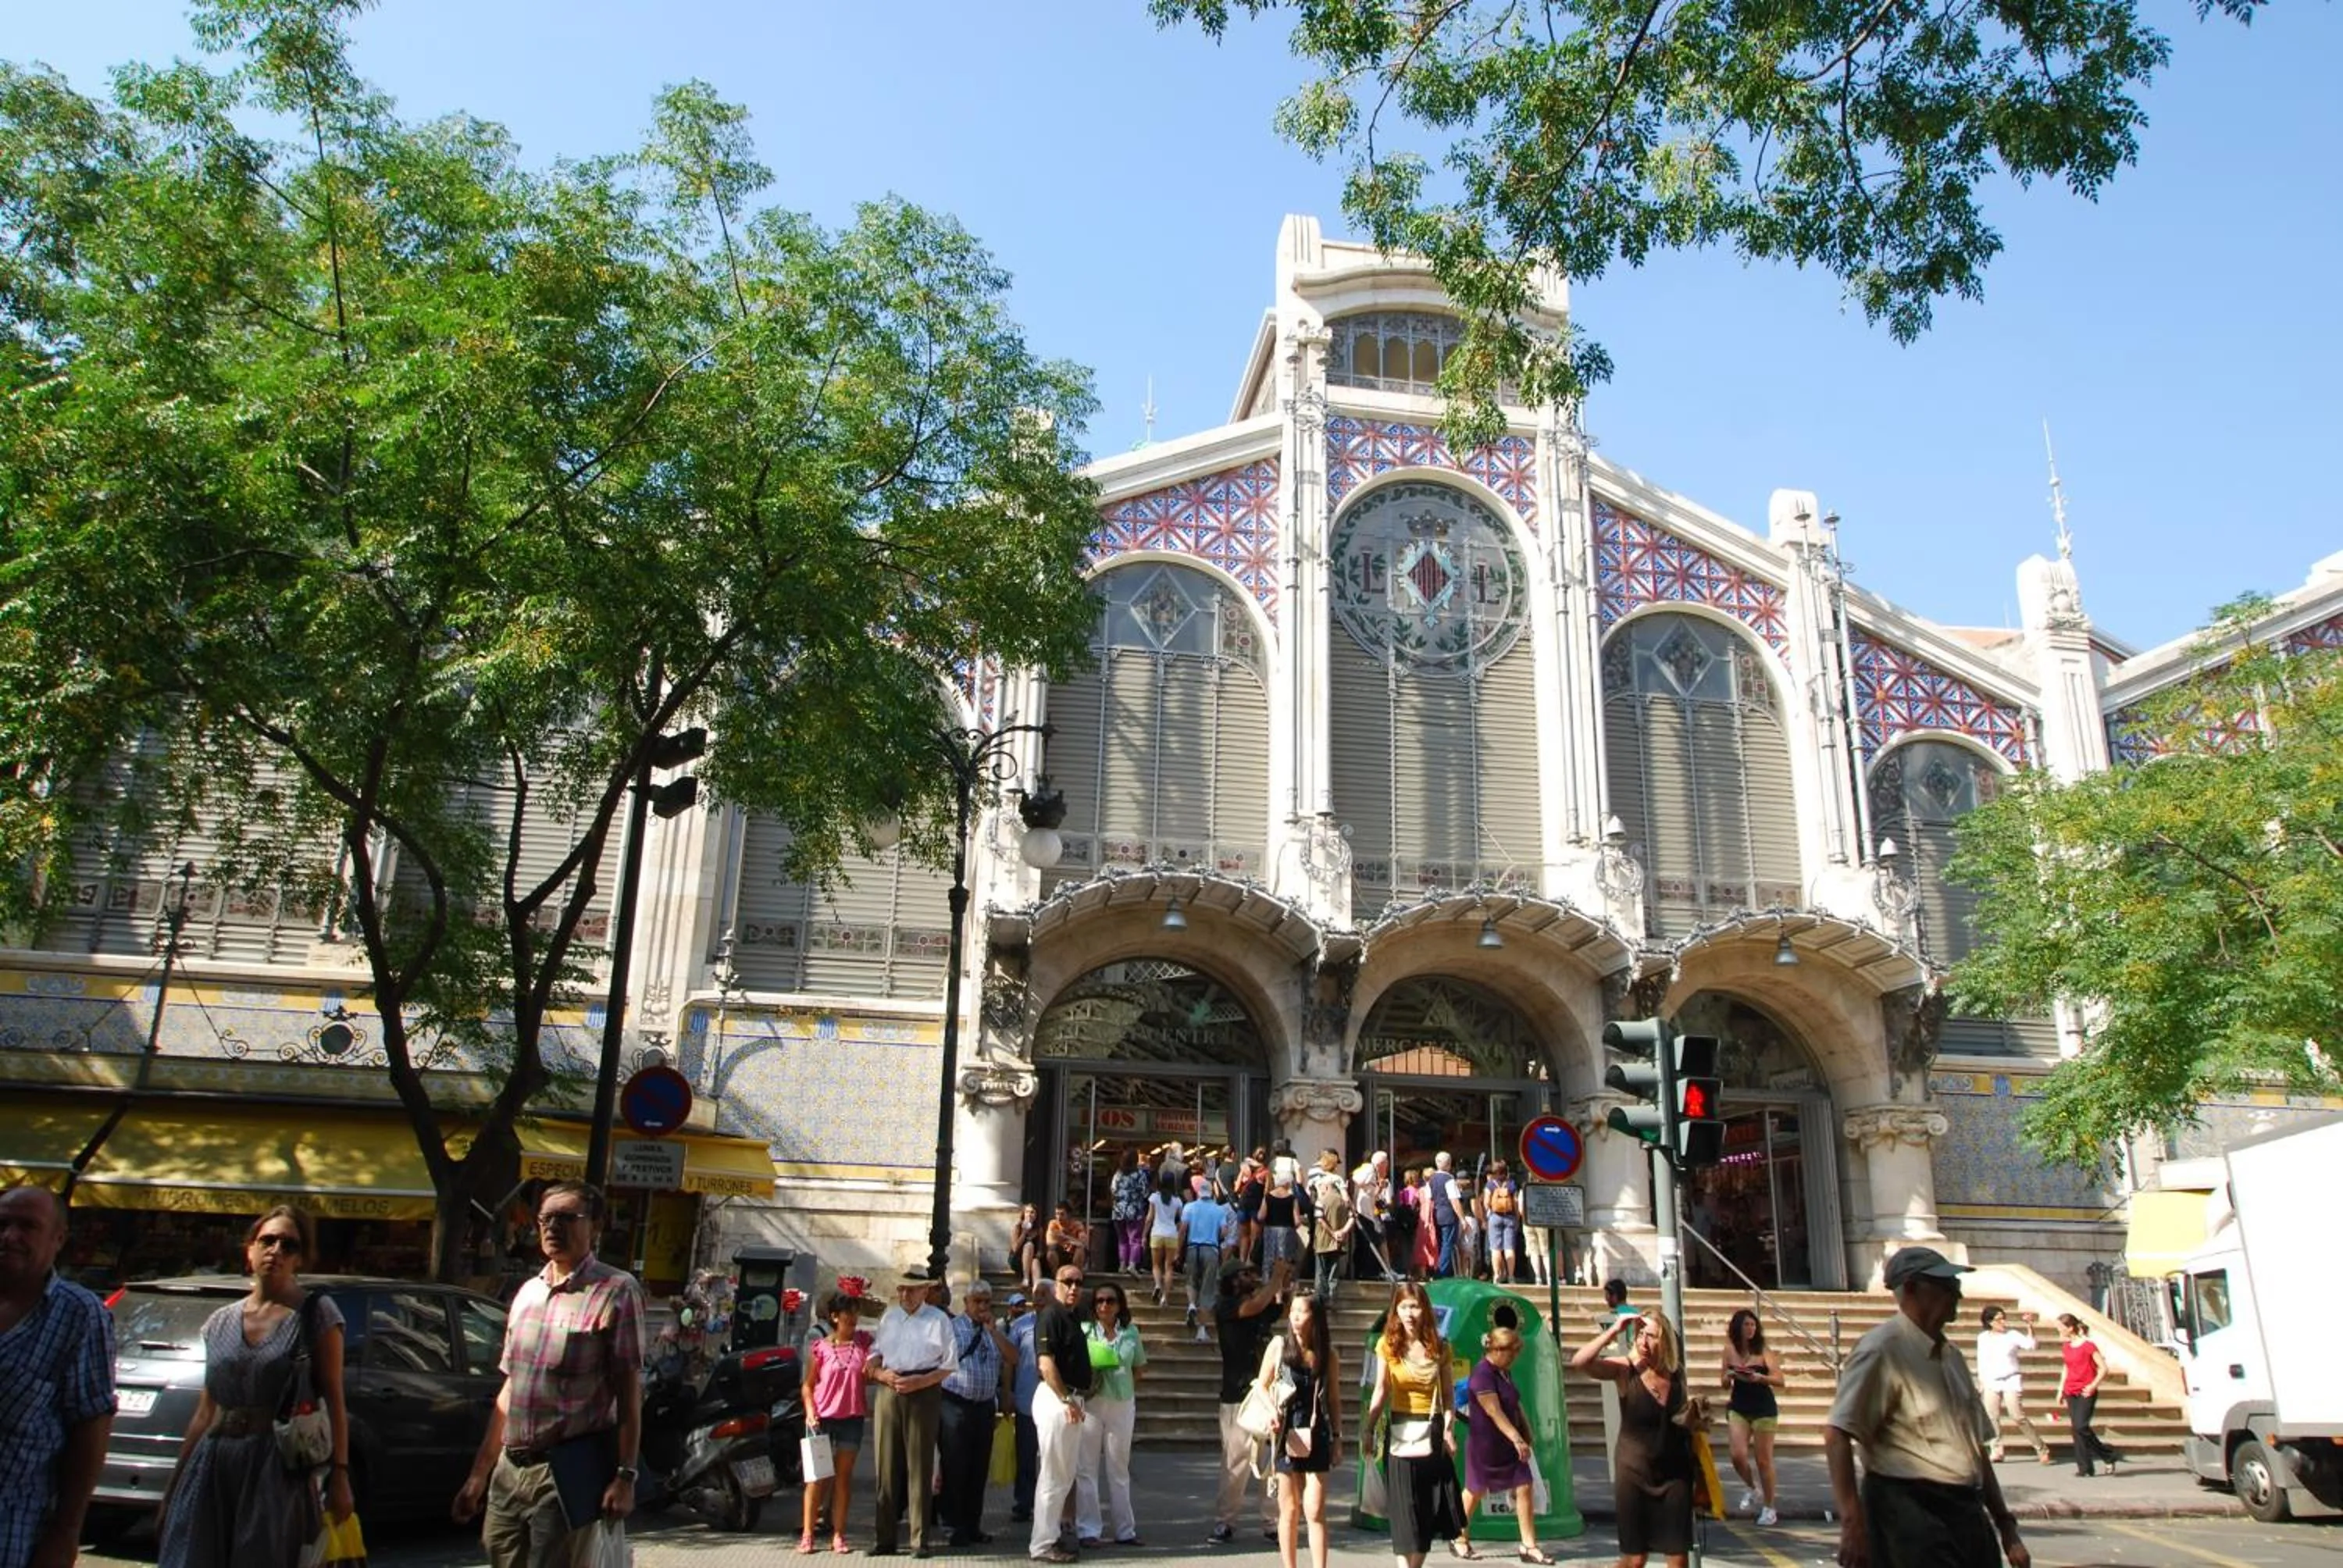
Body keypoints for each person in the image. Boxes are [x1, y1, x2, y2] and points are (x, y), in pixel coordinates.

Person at [454, 1183, 644, 1568]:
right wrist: (479, 1475)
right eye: (546, 1218)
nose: (552, 1227)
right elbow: (511, 1390)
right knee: (498, 1554)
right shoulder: (527, 1294)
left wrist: (625, 1476)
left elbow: (628, 1393)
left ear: (596, 1227)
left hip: (563, 1471)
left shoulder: (616, 1291)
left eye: (565, 1218)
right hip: (510, 1469)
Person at [159, 1206, 350, 1568]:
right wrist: (173, 1488)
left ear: (301, 1258)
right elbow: (205, 1412)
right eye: (268, 1241)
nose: (276, 1251)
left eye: (289, 1245)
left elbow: (335, 1399)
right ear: (250, 1249)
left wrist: (340, 1476)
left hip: (276, 1469)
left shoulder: (316, 1314)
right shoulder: (220, 1321)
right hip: (215, 1463)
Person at [1824, 1247, 2031, 1568]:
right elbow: (1837, 1433)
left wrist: (2006, 1526)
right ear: (1910, 1289)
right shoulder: (1882, 1350)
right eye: (1944, 1285)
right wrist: (1853, 1523)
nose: (1956, 1293)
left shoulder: (1952, 1357)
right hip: (1908, 1510)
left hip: (1965, 1509)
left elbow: (1976, 1449)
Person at [0, 1185, 116, 1568]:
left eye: (27, 1226)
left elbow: (90, 1428)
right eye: (2, 1224)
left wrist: (65, 1534)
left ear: (58, 1239)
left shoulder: (78, 1315)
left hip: (16, 1529)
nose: (10, 1237)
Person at [1571, 1307, 1693, 1568]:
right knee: (1635, 1559)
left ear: (1666, 1340)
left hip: (1674, 1473)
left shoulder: (1677, 1373)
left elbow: (1679, 1418)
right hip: (1634, 1472)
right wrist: (1615, 1330)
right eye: (1639, 1335)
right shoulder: (1626, 1369)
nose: (1643, 1341)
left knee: (1678, 1556)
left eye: (1651, 1335)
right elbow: (1580, 1362)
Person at [1364, 1281, 1462, 1568]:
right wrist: (1368, 1429)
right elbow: (1380, 1390)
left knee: (1428, 1510)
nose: (1409, 1313)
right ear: (1396, 1310)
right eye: (1403, 1306)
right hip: (1399, 1430)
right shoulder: (1388, 1344)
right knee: (1404, 1509)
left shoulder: (1440, 1347)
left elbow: (1447, 1394)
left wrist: (1449, 1430)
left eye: (1415, 1306)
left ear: (1425, 1310)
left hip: (1431, 1430)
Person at [867, 1266, 958, 1557]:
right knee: (886, 1463)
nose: (905, 1294)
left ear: (924, 1291)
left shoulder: (938, 1319)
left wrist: (921, 1381)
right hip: (890, 1388)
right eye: (901, 1289)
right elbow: (876, 1350)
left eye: (911, 1289)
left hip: (923, 1389)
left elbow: (949, 1364)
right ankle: (885, 1538)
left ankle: (919, 1539)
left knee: (919, 1465)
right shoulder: (890, 1317)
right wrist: (880, 1374)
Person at [1456, 1326, 1555, 1564]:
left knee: (1524, 1485)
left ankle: (1529, 1546)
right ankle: (1458, 1537)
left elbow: (1514, 1403)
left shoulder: (1503, 1372)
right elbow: (1494, 1411)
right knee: (1475, 1491)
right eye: (1512, 1352)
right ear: (1498, 1350)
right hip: (1486, 1445)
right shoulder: (1482, 1374)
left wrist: (1526, 1431)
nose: (1515, 1357)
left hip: (1507, 1444)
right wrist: (1517, 1438)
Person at [1208, 1257, 1287, 1545]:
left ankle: (1272, 1523)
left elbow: (1277, 1309)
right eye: (1245, 1274)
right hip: (1236, 1396)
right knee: (1235, 1463)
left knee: (1271, 1464)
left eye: (1253, 1273)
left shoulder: (1257, 1308)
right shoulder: (1226, 1306)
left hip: (1266, 1395)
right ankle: (1225, 1522)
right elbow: (1253, 1307)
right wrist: (1276, 1278)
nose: (1252, 1277)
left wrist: (1284, 1286)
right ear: (1231, 1280)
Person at [1264, 1291, 1343, 1568]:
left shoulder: (1327, 1354)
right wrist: (1272, 1410)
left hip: (1316, 1429)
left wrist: (1337, 1437)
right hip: (1286, 1429)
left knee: (1316, 1509)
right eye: (1293, 1311)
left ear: (1315, 1317)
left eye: (1303, 1311)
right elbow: (1260, 1386)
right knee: (1290, 1509)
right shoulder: (1279, 1346)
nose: (1296, 1317)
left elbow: (1333, 1399)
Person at [1026, 1264, 1093, 1565]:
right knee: (1054, 1475)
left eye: (1079, 1282)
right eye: (1067, 1281)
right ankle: (1042, 1544)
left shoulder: (1074, 1317)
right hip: (1058, 1400)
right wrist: (1066, 1399)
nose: (1074, 1287)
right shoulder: (1051, 1316)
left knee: (1064, 1476)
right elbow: (1045, 1364)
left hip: (1073, 1400)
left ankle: (1050, 1537)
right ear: (1057, 1285)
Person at [938, 1279, 1011, 1551]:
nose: (982, 1306)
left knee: (978, 1469)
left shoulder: (996, 1330)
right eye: (977, 1301)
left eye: (986, 1302)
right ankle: (953, 1526)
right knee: (955, 1467)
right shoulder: (953, 1328)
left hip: (984, 1407)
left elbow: (1011, 1359)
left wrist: (994, 1333)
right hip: (955, 1405)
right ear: (966, 1303)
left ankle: (973, 1524)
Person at [1074, 1282, 1146, 1548]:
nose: (1104, 1305)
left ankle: (1125, 1530)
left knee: (1119, 1467)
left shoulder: (1130, 1333)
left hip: (1122, 1403)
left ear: (1119, 1305)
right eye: (1100, 1301)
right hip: (1092, 1402)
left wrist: (1124, 1386)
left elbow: (1139, 1367)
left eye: (1110, 1301)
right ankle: (1088, 1530)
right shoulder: (1085, 1331)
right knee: (1087, 1467)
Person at [802, 1290, 875, 1553]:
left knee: (844, 1478)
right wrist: (810, 1412)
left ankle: (838, 1534)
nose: (852, 1318)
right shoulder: (820, 1348)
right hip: (822, 1419)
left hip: (852, 1418)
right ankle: (808, 1533)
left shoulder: (864, 1344)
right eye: (847, 1313)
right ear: (834, 1316)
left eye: (855, 1313)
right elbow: (808, 1386)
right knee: (816, 1478)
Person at [1721, 1308, 1785, 1525]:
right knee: (1737, 1455)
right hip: (1739, 1406)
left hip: (1763, 1408)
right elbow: (1722, 1383)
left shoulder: (1763, 1351)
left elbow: (1780, 1380)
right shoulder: (1729, 1350)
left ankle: (1769, 1507)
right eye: (1746, 1325)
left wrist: (1759, 1377)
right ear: (1737, 1327)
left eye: (1753, 1325)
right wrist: (1728, 1375)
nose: (1750, 1329)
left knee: (1763, 1460)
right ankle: (1752, 1487)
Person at [1973, 1308, 2050, 1466]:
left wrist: (2030, 1326)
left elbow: (2031, 1345)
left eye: (2003, 1318)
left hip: (2011, 1379)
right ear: (1989, 1322)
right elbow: (1981, 1360)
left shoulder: (2012, 1335)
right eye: (1999, 1319)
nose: (2003, 1322)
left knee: (2017, 1415)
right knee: (1992, 1416)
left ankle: (2041, 1448)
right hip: (1991, 1380)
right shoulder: (1983, 1338)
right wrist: (1981, 1382)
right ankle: (1997, 1450)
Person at [2057, 1314, 2119, 1479]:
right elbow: (2066, 1368)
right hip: (2071, 1389)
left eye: (2061, 1326)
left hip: (2086, 1390)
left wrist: (2092, 1385)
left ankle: (2107, 1454)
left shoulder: (2088, 1346)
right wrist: (2060, 1390)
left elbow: (2103, 1368)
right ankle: (2085, 1468)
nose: (2059, 1329)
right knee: (2076, 1430)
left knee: (2081, 1426)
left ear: (2070, 1327)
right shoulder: (2067, 1347)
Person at [1004, 1295, 1041, 1527]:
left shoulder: (1062, 1322)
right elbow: (1009, 1360)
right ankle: (1023, 1503)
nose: (1039, 1301)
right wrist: (1007, 1391)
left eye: (1045, 1297)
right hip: (1027, 1399)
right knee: (1025, 1456)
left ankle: (1048, 1505)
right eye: (1036, 1297)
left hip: (1056, 1401)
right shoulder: (1021, 1325)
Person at [1179, 1180, 1233, 1338]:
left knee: (1191, 1280)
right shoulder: (1219, 1210)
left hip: (1192, 1248)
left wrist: (1177, 1251)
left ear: (1198, 1193)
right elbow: (1224, 1231)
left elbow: (1183, 1230)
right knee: (1207, 1289)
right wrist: (1216, 1236)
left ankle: (1190, 1305)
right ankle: (1201, 1330)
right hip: (1211, 1249)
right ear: (1211, 1193)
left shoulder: (1189, 1207)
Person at [1309, 1152, 1353, 1302]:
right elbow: (1348, 1205)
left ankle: (1320, 1297)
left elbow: (1318, 1215)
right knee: (1334, 1268)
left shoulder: (1315, 1180)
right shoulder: (1337, 1181)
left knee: (1320, 1268)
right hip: (1338, 1229)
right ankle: (1332, 1297)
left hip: (1322, 1234)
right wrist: (1342, 1231)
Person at [1145, 1175, 1185, 1309]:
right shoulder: (1177, 1200)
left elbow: (1149, 1218)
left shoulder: (1154, 1198)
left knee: (1156, 1265)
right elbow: (1182, 1220)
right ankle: (1165, 1298)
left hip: (1157, 1233)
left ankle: (1157, 1284)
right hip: (1171, 1234)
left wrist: (1144, 1234)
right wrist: (1178, 1229)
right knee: (1169, 1267)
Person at [1479, 1161, 1521, 1285]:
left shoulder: (1490, 1185)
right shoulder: (1511, 1184)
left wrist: (1487, 1216)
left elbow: (1486, 1203)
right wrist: (1517, 1218)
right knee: (1509, 1248)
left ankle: (1497, 1276)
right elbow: (1516, 1203)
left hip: (1495, 1217)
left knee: (1495, 1249)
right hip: (1509, 1218)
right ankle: (1511, 1276)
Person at [1109, 1151, 1150, 1277]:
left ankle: (1122, 1264)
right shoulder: (1139, 1174)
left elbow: (1113, 1190)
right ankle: (1132, 1265)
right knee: (1135, 1239)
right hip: (1135, 1210)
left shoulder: (1118, 1174)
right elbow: (1145, 1193)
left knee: (1122, 1240)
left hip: (1118, 1211)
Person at [1426, 1153, 1462, 1278]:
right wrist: (1463, 1219)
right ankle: (1441, 1273)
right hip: (1448, 1215)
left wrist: (1427, 1218)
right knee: (1448, 1244)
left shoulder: (1431, 1179)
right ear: (1449, 1164)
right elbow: (1454, 1200)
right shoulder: (1449, 1179)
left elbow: (1429, 1200)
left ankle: (1446, 1272)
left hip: (1437, 1214)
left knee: (1442, 1244)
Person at [1044, 1204, 1089, 1277]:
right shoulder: (1053, 1224)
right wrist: (1073, 1241)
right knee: (1051, 1251)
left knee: (1080, 1249)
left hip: (1073, 1254)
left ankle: (1076, 1276)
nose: (1059, 1217)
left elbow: (1083, 1243)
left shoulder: (1077, 1225)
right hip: (1060, 1254)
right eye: (1057, 1214)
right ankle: (1057, 1277)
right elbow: (1049, 1242)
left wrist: (1065, 1238)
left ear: (1069, 1215)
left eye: (1062, 1214)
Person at [1011, 1203, 1046, 1297]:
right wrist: (1024, 1233)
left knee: (1035, 1262)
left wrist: (1039, 1253)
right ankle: (1026, 1279)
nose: (1029, 1215)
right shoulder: (1017, 1227)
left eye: (1032, 1213)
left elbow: (1040, 1249)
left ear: (1036, 1215)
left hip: (1033, 1260)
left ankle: (1036, 1291)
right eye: (1027, 1212)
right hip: (1018, 1259)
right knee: (1029, 1245)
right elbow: (1015, 1248)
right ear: (1023, 1214)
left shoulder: (1039, 1230)